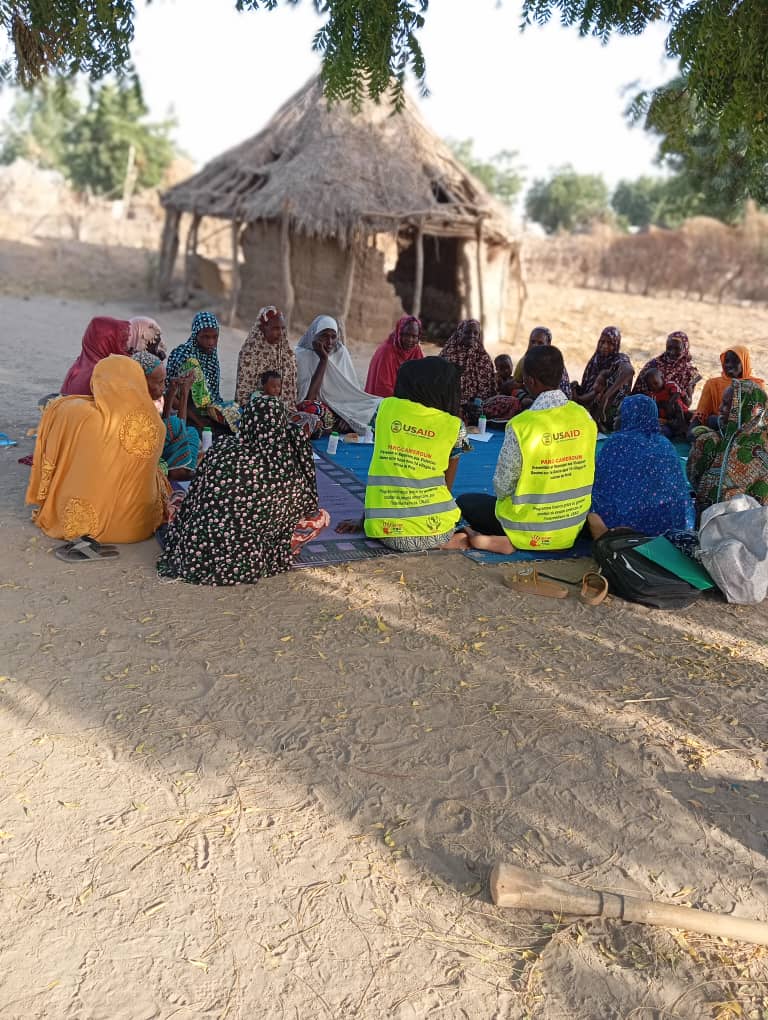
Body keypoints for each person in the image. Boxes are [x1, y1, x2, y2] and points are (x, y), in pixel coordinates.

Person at [156, 395, 328, 585]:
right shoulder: (286, 461)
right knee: (320, 518)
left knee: (177, 498)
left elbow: (196, 496)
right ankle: (279, 548)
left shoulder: (222, 447)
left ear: (247, 421)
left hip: (199, 547)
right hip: (252, 553)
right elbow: (307, 505)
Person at [457, 345, 597, 553]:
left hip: (527, 530)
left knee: (466, 501)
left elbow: (502, 487)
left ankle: (502, 539)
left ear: (530, 381)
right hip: (570, 527)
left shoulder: (522, 425)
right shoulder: (584, 417)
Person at [26, 355, 170, 543]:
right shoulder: (156, 425)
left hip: (81, 527)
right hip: (138, 529)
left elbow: (53, 416)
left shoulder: (79, 413)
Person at [336, 357, 469, 551]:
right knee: (468, 504)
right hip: (434, 533)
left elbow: (382, 466)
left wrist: (364, 520)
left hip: (382, 532)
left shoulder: (385, 409)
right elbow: (447, 488)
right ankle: (464, 538)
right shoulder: (455, 427)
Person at [591, 395, 695, 534]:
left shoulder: (617, 442)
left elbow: (600, 485)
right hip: (673, 522)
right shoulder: (665, 443)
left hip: (626, 524)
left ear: (632, 416)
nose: (615, 419)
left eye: (620, 414)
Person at [687, 379, 768, 515]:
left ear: (745, 409)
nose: (720, 408)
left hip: (743, 526)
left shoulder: (762, 452)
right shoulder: (711, 442)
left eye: (726, 404)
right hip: (715, 522)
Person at [294, 315, 380, 434]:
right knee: (312, 411)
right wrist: (323, 360)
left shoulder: (340, 352)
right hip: (320, 409)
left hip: (344, 410)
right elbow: (308, 399)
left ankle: (348, 425)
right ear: (314, 336)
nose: (329, 342)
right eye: (324, 336)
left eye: (333, 337)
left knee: (378, 405)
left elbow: (351, 393)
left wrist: (348, 416)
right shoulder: (301, 355)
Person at [166, 311, 238, 433]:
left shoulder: (211, 355)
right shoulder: (184, 355)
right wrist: (198, 419)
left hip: (208, 411)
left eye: (215, 337)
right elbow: (171, 396)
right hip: (184, 414)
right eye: (206, 337)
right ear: (195, 335)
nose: (211, 342)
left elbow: (213, 395)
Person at [132, 352, 200, 481]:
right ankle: (180, 470)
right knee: (178, 426)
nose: (163, 387)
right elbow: (178, 429)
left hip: (155, 448)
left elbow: (164, 426)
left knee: (192, 432)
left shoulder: (145, 400)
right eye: (159, 382)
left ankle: (180, 466)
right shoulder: (136, 409)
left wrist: (170, 395)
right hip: (144, 464)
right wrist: (185, 393)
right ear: (141, 382)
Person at [571, 325, 633, 432]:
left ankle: (601, 421)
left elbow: (629, 371)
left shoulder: (619, 358)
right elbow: (590, 388)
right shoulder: (596, 359)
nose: (604, 346)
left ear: (617, 345)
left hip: (608, 408)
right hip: (591, 399)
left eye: (610, 343)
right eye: (602, 342)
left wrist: (606, 396)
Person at [234, 306, 297, 408]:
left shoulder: (287, 353)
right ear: (263, 328)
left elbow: (289, 392)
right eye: (275, 328)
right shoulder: (249, 353)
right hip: (256, 410)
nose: (281, 333)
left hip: (283, 410)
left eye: (282, 328)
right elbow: (244, 395)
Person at [691, 346, 765, 429]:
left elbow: (757, 417)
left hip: (745, 428)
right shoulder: (712, 384)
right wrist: (692, 431)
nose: (729, 365)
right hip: (719, 425)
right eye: (726, 361)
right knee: (712, 420)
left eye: (735, 361)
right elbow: (702, 413)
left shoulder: (756, 385)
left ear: (744, 363)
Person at [60, 317, 131, 396]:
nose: (124, 347)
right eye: (121, 340)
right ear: (109, 342)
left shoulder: (77, 368)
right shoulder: (102, 375)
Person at [633, 330, 701, 406]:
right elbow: (638, 393)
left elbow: (688, 403)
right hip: (648, 406)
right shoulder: (653, 365)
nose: (672, 352)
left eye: (677, 348)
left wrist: (679, 396)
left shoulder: (690, 372)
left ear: (685, 348)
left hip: (675, 410)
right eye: (669, 348)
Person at [440, 319, 496, 409]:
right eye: (467, 332)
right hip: (453, 404)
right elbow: (443, 387)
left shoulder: (483, 356)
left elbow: (489, 386)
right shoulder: (449, 355)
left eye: (475, 333)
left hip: (480, 405)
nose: (471, 336)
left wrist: (479, 402)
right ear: (459, 333)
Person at [364, 315, 424, 398]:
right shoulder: (386, 351)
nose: (410, 340)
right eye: (406, 335)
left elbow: (421, 378)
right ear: (399, 333)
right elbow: (383, 388)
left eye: (414, 336)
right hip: (384, 401)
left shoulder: (416, 350)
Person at [512, 327, 571, 398]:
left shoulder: (554, 363)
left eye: (540, 343)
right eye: (532, 342)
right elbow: (515, 384)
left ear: (548, 344)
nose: (535, 345)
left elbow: (565, 393)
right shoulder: (523, 361)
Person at [643, 368, 689, 439]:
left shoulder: (669, 385)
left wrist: (670, 404)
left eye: (655, 383)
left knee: (681, 410)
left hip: (682, 414)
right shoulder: (652, 395)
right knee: (662, 431)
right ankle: (675, 433)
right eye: (650, 386)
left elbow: (677, 393)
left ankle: (682, 430)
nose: (654, 387)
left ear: (662, 378)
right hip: (667, 420)